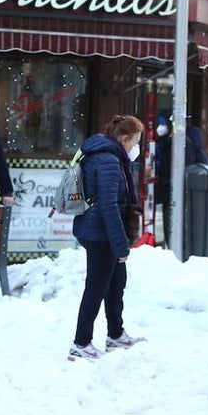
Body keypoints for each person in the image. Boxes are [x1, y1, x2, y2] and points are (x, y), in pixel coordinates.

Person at [68, 114, 146, 360]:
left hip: (99, 229)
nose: (136, 148)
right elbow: (109, 206)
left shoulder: (104, 155)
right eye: (135, 142)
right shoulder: (109, 161)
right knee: (96, 287)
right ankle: (81, 343)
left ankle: (115, 333)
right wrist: (121, 244)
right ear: (124, 139)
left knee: (116, 282)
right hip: (100, 233)